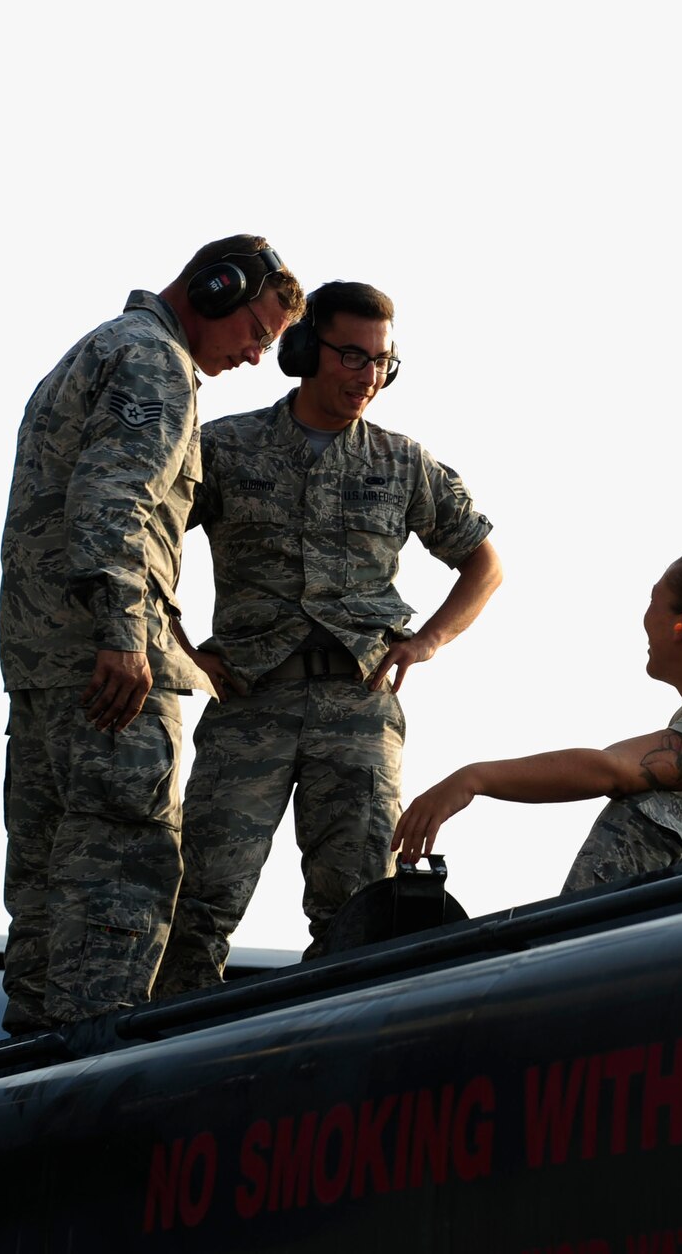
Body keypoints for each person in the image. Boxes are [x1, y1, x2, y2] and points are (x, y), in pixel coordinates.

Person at [158, 280, 503, 990]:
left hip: (359, 707)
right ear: (307, 349)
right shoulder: (226, 447)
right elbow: (146, 535)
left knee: (358, 912)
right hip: (250, 701)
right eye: (351, 355)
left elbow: (484, 563)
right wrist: (181, 647)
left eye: (382, 361)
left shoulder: (402, 462)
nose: (368, 376)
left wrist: (426, 641)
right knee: (197, 900)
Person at [0, 237, 304, 1033]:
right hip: (107, 678)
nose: (255, 356)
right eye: (255, 333)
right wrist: (126, 635)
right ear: (215, 288)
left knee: (42, 894)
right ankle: (90, 1085)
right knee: (119, 884)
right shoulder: (153, 363)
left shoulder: (96, 348)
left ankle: (22, 1083)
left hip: (42, 671)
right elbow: (115, 498)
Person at [391, 549, 682, 890]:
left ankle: (569, 967)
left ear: (681, 623)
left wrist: (473, 779)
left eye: (653, 602)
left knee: (645, 814)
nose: (643, 618)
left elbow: (613, 771)